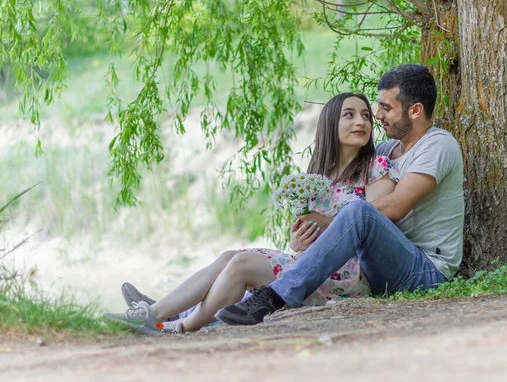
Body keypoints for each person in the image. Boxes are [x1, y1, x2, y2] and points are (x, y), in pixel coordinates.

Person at [105, 92, 401, 334]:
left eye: (365, 115)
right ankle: (161, 312)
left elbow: (370, 223)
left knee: (242, 263)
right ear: (329, 124)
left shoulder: (377, 167)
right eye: (349, 114)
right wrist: (298, 241)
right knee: (229, 257)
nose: (361, 121)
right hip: (307, 265)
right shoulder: (317, 175)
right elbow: (309, 238)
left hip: (347, 278)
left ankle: (172, 323)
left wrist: (322, 223)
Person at [215, 64, 464, 326]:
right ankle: (184, 316)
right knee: (354, 212)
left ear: (415, 111)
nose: (377, 115)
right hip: (378, 265)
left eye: (386, 108)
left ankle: (276, 296)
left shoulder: (438, 145)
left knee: (359, 211)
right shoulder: (386, 150)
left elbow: (395, 206)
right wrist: (305, 233)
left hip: (425, 271)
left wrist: (327, 221)